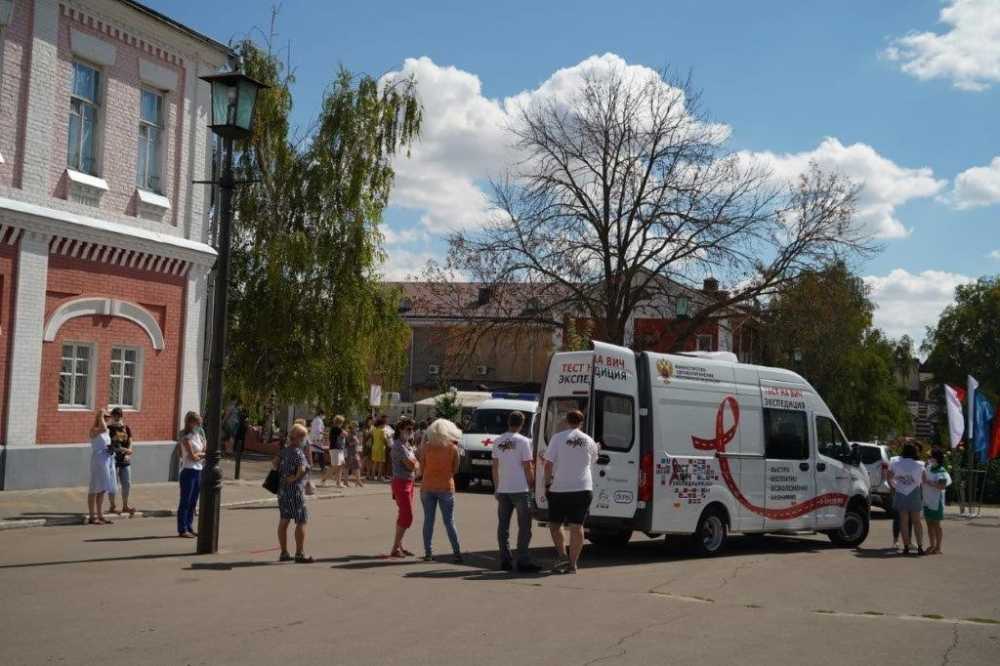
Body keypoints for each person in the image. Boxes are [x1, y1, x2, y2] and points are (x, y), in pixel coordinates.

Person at [544, 409, 599, 573]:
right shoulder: (589, 440)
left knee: (555, 525)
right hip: (583, 488)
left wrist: (547, 484)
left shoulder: (558, 438)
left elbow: (548, 464)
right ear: (581, 423)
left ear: (566, 421)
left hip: (560, 488)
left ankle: (562, 556)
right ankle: (572, 564)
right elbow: (593, 461)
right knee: (577, 526)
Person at [492, 411, 541, 573]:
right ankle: (523, 560)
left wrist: (497, 487)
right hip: (520, 488)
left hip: (503, 489)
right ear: (522, 424)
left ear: (508, 422)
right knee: (525, 527)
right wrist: (532, 485)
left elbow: (494, 467)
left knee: (503, 527)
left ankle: (505, 560)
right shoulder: (524, 441)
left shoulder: (498, 441)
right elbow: (528, 466)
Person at [418, 418, 464, 563]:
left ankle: (428, 552)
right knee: (449, 521)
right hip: (445, 487)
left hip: (427, 486)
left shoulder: (426, 447)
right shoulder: (452, 448)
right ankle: (456, 552)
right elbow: (455, 469)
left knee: (428, 521)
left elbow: (422, 467)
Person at [274, 423, 314, 562]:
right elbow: (302, 469)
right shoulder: (298, 452)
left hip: (282, 490)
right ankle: (299, 553)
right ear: (300, 438)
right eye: (304, 438)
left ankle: (284, 552)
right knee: (301, 520)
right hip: (295, 490)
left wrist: (285, 475)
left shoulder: (284, 451)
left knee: (284, 520)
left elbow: (274, 463)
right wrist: (295, 478)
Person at [389, 417, 419, 558]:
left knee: (403, 514)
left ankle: (399, 545)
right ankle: (395, 548)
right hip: (401, 482)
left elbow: (415, 463)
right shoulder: (398, 446)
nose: (411, 432)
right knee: (407, 515)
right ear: (400, 430)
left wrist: (415, 463)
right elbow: (411, 465)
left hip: (409, 481)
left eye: (412, 429)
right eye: (408, 429)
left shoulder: (407, 444)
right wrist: (415, 463)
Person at [888, 442, 926, 555]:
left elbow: (888, 476)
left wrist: (894, 486)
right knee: (917, 521)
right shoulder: (920, 464)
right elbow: (924, 480)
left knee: (903, 521)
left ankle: (906, 547)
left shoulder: (896, 463)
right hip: (914, 491)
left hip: (901, 491)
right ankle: (920, 547)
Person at [177, 411, 206, 538]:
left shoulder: (198, 436)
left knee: (193, 502)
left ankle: (189, 526)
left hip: (198, 470)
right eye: (197, 423)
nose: (199, 425)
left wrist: (202, 453)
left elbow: (204, 451)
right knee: (185, 501)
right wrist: (201, 455)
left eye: (200, 423)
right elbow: (193, 457)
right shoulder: (186, 438)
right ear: (190, 423)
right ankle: (182, 529)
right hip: (188, 471)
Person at [87, 409, 116, 525]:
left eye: (108, 417)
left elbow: (106, 438)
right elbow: (102, 428)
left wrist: (111, 448)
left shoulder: (107, 431)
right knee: (94, 488)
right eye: (106, 417)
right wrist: (100, 414)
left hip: (107, 459)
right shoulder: (94, 430)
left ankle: (100, 515)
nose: (108, 419)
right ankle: (92, 516)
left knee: (102, 488)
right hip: (98, 461)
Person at [923, 449, 952, 555]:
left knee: (936, 525)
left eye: (931, 457)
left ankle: (938, 547)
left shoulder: (942, 471)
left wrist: (929, 482)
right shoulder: (928, 468)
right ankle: (932, 545)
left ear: (937, 458)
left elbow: (941, 486)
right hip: (927, 500)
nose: (929, 458)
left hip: (936, 501)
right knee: (929, 524)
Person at [106, 407, 135, 516]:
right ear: (112, 415)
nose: (117, 417)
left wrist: (129, 451)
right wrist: (122, 450)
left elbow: (130, 440)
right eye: (115, 415)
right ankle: (112, 506)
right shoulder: (109, 429)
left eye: (119, 415)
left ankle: (125, 506)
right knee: (113, 484)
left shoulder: (125, 427)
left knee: (127, 483)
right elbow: (109, 446)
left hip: (125, 460)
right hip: (113, 459)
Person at [321, 415, 346, 488]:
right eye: (342, 422)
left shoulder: (336, 428)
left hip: (339, 449)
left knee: (340, 466)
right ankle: (323, 479)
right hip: (335, 449)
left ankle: (338, 483)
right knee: (335, 466)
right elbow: (345, 434)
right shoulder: (336, 428)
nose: (342, 423)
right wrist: (344, 431)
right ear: (340, 422)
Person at [371, 414, 393, 482]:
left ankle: (372, 476)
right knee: (381, 463)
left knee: (375, 462)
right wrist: (389, 440)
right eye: (383, 424)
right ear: (381, 424)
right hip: (381, 448)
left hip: (374, 447)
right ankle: (379, 477)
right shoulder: (382, 431)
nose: (384, 425)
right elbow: (384, 439)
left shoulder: (374, 430)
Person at [344, 421, 365, 488]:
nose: (357, 428)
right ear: (353, 427)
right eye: (356, 426)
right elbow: (349, 444)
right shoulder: (350, 434)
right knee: (348, 467)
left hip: (354, 452)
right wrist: (355, 442)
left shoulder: (354, 433)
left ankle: (358, 481)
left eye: (357, 426)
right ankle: (347, 482)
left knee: (357, 466)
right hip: (350, 452)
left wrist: (357, 442)